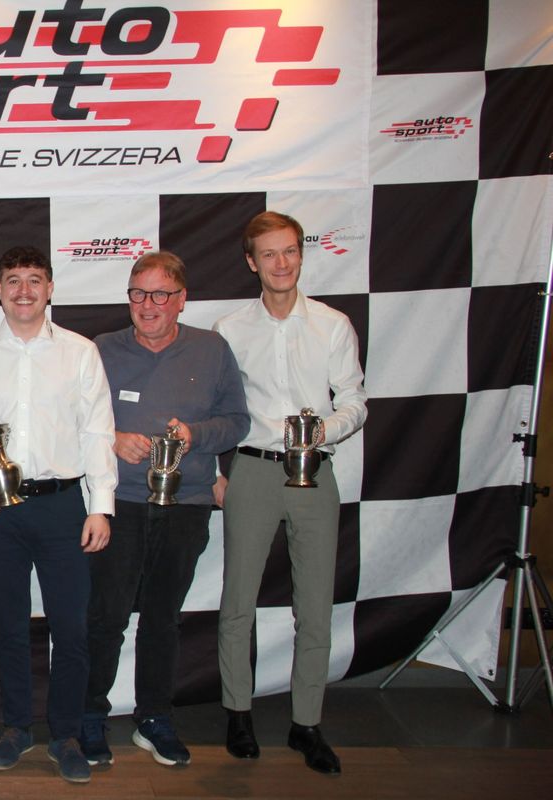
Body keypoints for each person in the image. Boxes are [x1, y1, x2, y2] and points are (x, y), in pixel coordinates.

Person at [0, 246, 116, 784]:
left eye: (34, 280)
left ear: (50, 288)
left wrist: (101, 506)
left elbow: (98, 432)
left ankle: (65, 735)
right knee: (10, 628)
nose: (24, 290)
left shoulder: (80, 352)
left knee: (72, 630)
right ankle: (16, 728)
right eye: (13, 280)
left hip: (64, 507)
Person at [213, 211, 367, 776]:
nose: (282, 263)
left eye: (290, 251)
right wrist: (214, 473)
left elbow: (355, 401)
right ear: (251, 262)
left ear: (301, 254)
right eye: (270, 254)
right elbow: (219, 408)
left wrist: (322, 431)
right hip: (252, 470)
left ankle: (307, 724)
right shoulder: (230, 329)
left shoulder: (332, 324)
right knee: (238, 603)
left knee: (315, 606)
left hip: (315, 472)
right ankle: (238, 714)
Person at [82, 251, 249, 768]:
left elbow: (238, 421)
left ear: (181, 300)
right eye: (138, 293)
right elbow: (72, 417)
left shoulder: (212, 349)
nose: (148, 304)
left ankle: (154, 717)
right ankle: (90, 715)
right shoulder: (101, 349)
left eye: (160, 294)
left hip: (186, 503)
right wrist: (113, 438)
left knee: (162, 618)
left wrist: (196, 435)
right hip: (119, 503)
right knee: (106, 617)